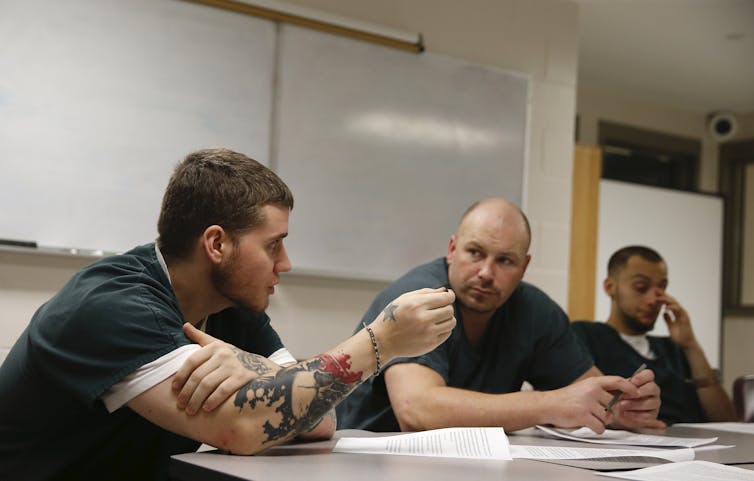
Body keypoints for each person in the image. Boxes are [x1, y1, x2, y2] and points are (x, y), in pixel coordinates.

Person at [0, 148, 457, 481]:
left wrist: (248, 366)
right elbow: (245, 426)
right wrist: (380, 343)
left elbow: (317, 420)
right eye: (273, 244)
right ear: (217, 245)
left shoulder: (230, 304)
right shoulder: (111, 307)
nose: (286, 264)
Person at [337, 198, 663, 434]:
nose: (486, 273)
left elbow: (589, 392)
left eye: (505, 261)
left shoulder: (535, 311)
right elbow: (417, 410)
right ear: (452, 250)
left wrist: (618, 408)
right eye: (475, 252)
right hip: (370, 461)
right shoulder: (417, 296)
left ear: (524, 267)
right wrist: (554, 405)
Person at [571, 245, 735, 425]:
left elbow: (725, 420)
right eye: (641, 288)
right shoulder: (584, 336)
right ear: (610, 287)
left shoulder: (673, 348)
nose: (653, 300)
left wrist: (691, 345)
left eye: (661, 289)